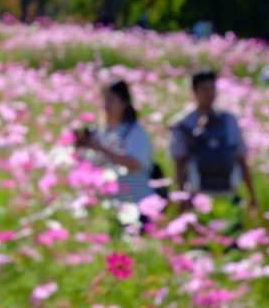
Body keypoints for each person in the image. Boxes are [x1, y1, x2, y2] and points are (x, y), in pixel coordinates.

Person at [170, 71, 258, 229]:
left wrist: (251, 194)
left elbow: (241, 159)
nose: (209, 93)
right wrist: (182, 196)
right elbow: (179, 163)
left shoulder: (229, 120)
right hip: (198, 195)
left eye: (212, 88)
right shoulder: (182, 123)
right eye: (204, 89)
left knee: (232, 241)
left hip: (228, 192)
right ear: (194, 91)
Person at [74, 79, 155, 206]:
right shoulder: (98, 131)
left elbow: (135, 163)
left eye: (111, 100)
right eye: (105, 100)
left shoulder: (136, 131)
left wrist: (101, 149)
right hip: (109, 202)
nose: (106, 105)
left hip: (136, 201)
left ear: (124, 103)